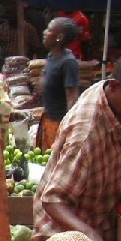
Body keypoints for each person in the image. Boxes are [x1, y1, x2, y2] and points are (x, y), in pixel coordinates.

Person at [33, 53, 121, 241]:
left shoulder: (117, 101)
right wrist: (88, 233)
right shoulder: (86, 134)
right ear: (114, 86)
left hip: (99, 225)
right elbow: (52, 200)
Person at [37, 17, 82, 149]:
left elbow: (72, 98)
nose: (44, 32)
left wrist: (67, 130)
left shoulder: (68, 62)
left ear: (59, 37)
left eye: (49, 30)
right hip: (47, 119)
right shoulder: (51, 56)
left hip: (58, 123)